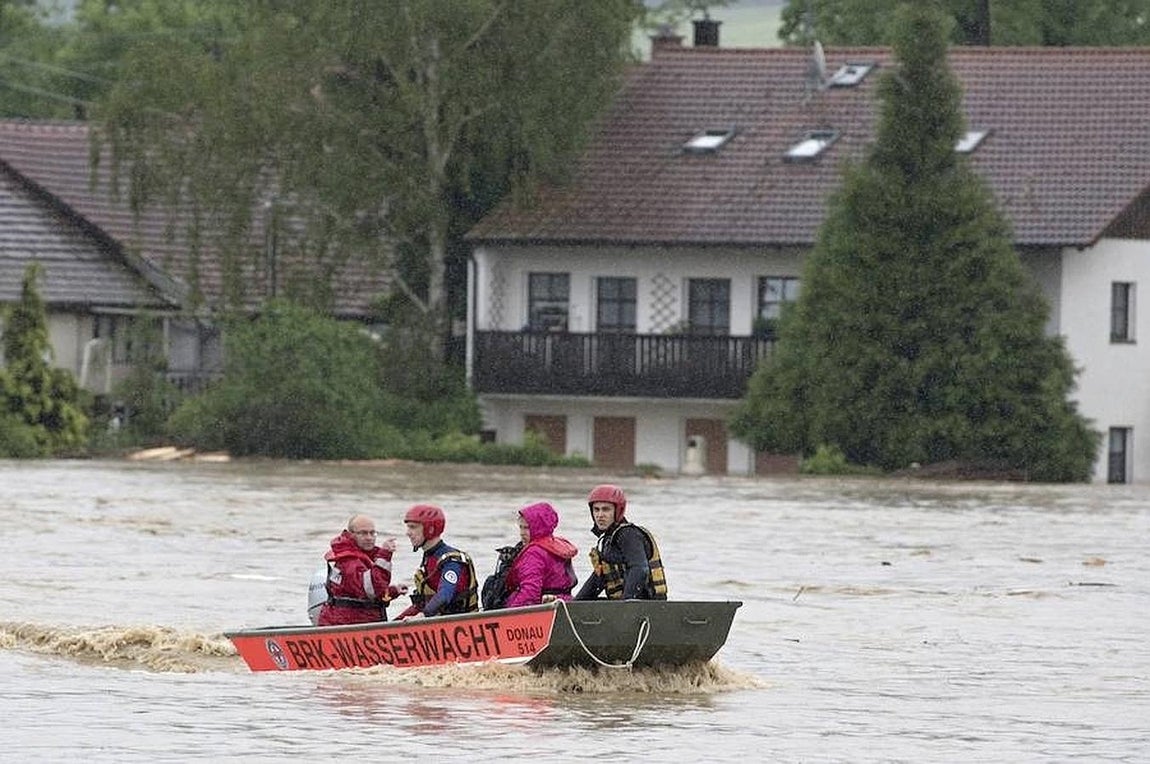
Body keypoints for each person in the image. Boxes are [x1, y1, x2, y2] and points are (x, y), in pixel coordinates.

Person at [574, 484, 668, 601]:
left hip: (646, 605)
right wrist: (573, 605)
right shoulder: (607, 541)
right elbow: (597, 580)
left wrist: (624, 606)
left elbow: (640, 569)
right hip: (623, 605)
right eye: (596, 510)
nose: (600, 515)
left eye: (606, 509)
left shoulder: (628, 535)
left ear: (618, 511)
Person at [316, 514, 406, 626]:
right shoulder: (349, 562)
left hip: (356, 622)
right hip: (347, 625)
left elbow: (367, 592)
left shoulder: (360, 556)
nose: (369, 537)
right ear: (351, 535)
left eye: (372, 533)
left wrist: (393, 591)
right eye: (363, 533)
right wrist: (384, 556)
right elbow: (371, 589)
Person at [396, 504, 479, 619]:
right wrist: (390, 624)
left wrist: (423, 615)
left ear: (430, 529)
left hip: (462, 624)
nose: (408, 533)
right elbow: (420, 605)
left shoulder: (452, 561)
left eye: (413, 527)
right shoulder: (429, 559)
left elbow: (444, 595)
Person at [489, 501, 578, 609]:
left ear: (539, 527)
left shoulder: (535, 552)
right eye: (520, 527)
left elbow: (530, 592)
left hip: (540, 609)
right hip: (564, 603)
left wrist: (507, 613)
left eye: (527, 528)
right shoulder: (556, 545)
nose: (522, 533)